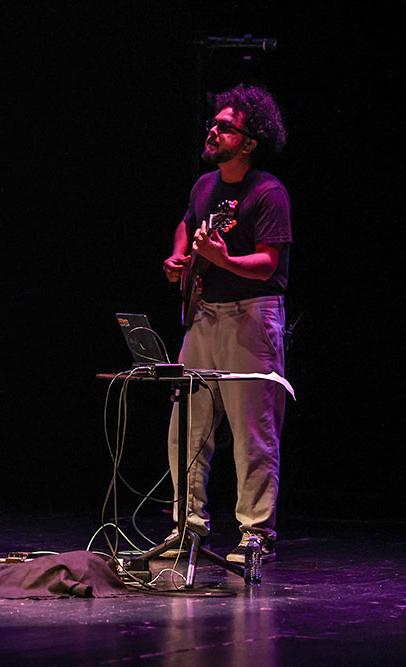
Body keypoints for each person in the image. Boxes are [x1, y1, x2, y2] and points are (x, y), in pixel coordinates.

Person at [161, 84, 290, 563]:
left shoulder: (268, 192)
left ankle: (256, 534)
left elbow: (268, 264)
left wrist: (222, 258)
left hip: (251, 315)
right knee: (187, 428)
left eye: (225, 127)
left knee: (251, 429)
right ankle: (186, 527)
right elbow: (187, 222)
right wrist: (180, 256)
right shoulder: (204, 185)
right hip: (204, 315)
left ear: (250, 141)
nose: (213, 131)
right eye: (214, 124)